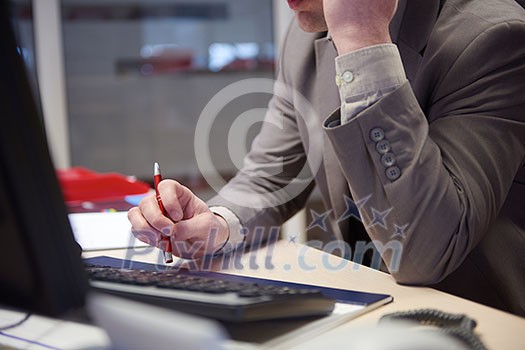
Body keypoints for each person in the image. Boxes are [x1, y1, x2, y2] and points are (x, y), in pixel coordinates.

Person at [128, 0, 525, 317]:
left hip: (475, 316)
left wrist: (363, 40)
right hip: (365, 303)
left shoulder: (493, 37)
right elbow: (270, 176)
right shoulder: (307, 33)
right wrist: (214, 222)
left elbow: (425, 253)